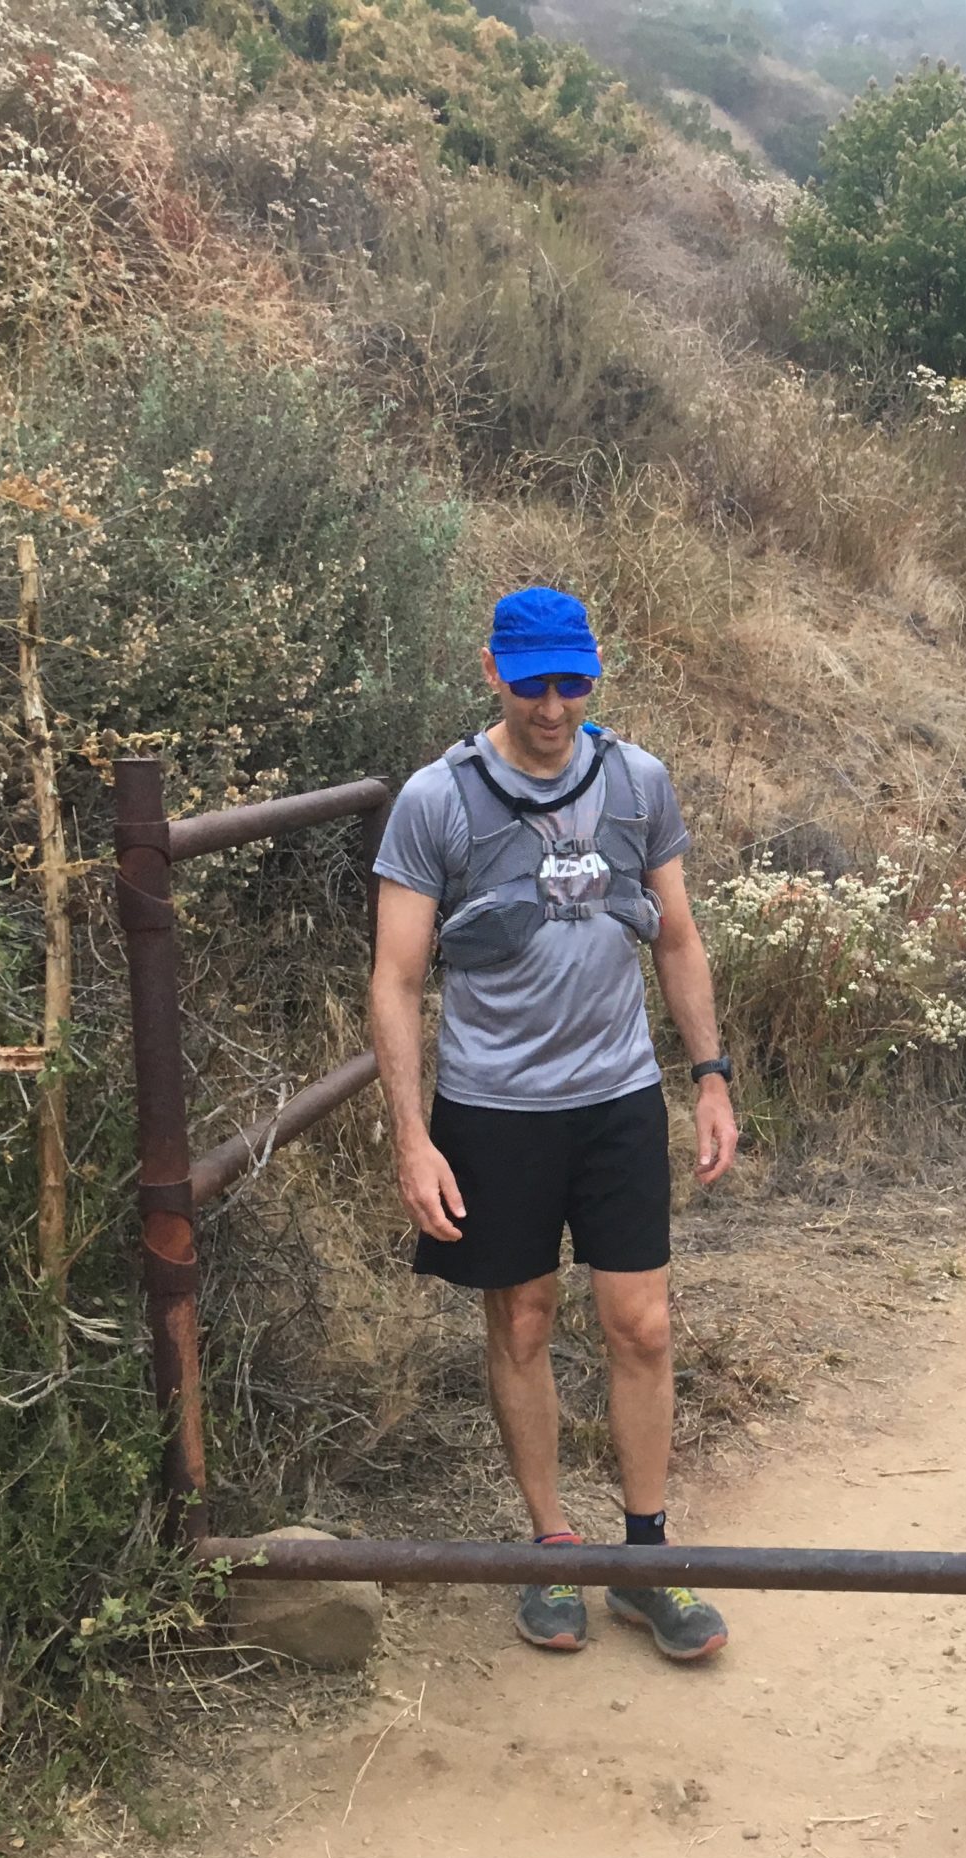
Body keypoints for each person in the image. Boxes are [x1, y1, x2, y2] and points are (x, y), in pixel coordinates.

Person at [369, 586, 739, 1662]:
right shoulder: (437, 800)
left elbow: (676, 936)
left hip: (617, 1097)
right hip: (493, 1107)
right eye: (531, 684)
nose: (551, 706)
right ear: (493, 670)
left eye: (572, 683)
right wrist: (412, 1138)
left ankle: (645, 1562)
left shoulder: (637, 782)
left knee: (643, 1326)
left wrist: (710, 1078)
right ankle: (552, 1546)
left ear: (595, 670)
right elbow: (395, 980)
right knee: (523, 1322)